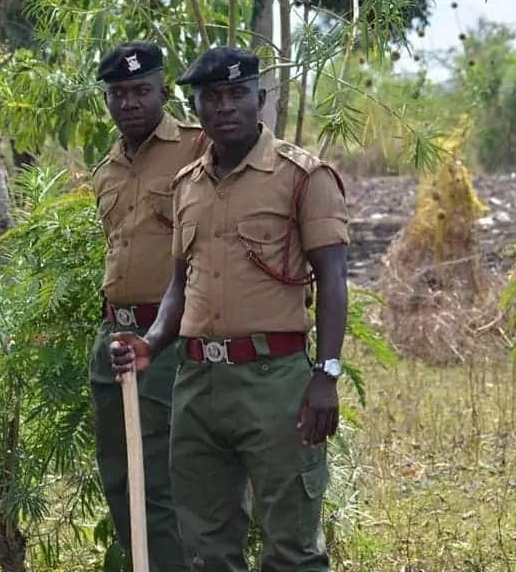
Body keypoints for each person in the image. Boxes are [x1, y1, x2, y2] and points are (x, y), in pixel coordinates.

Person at [111, 46, 349, 571]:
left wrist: (327, 375)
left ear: (259, 100)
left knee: (291, 549)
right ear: (196, 108)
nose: (225, 107)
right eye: (211, 98)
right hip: (197, 385)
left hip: (275, 382)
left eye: (237, 94)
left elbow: (333, 280)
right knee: (207, 550)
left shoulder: (302, 176)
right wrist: (150, 343)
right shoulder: (187, 186)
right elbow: (180, 287)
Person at [90, 41, 204, 570]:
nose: (129, 102)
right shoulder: (107, 167)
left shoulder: (197, 148)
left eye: (140, 90)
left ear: (163, 90)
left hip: (169, 339)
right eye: (118, 93)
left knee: (166, 480)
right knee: (119, 477)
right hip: (113, 338)